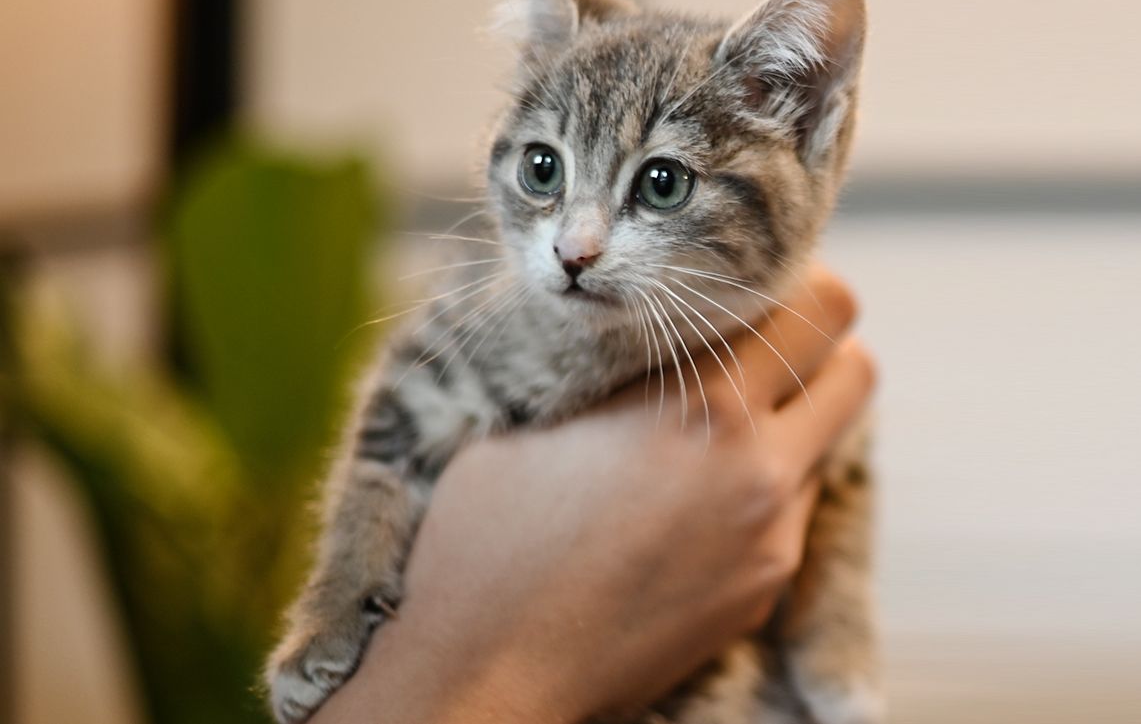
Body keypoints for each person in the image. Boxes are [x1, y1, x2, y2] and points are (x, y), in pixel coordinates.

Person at [309, 266, 875, 724]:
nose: (575, 250)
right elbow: (404, 409)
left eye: (662, 181)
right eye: (543, 172)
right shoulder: (491, 323)